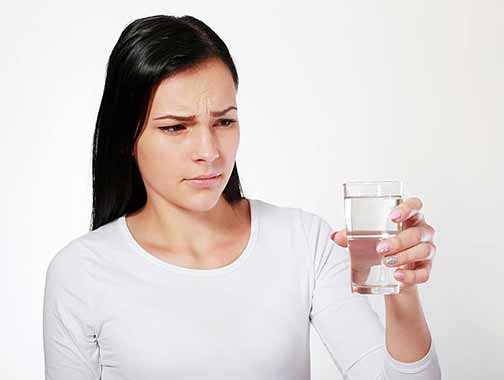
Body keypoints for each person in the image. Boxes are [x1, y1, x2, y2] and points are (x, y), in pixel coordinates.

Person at [43, 14, 442, 380]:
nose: (210, 150)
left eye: (224, 121)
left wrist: (401, 287)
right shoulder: (81, 272)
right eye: (175, 127)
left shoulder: (303, 241)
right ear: (127, 138)